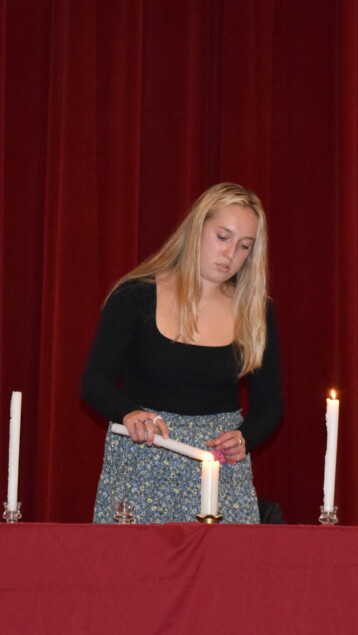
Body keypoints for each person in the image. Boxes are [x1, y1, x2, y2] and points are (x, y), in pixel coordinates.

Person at [82, 183, 284, 524]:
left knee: (224, 574)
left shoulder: (255, 311)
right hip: (143, 461)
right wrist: (130, 413)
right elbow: (94, 382)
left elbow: (270, 405)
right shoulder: (136, 296)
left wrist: (244, 437)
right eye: (223, 237)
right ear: (197, 228)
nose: (231, 254)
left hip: (221, 471)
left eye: (244, 246)